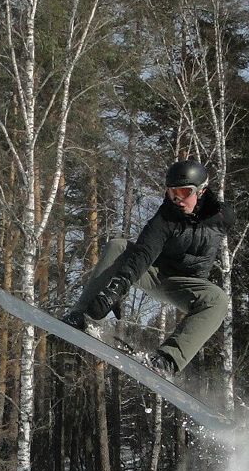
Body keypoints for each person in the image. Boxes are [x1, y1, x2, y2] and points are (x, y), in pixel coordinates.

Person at [62, 158, 233, 377]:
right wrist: (115, 290)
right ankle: (81, 316)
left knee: (217, 299)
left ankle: (167, 360)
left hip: (185, 284)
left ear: (201, 192)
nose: (177, 200)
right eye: (172, 193)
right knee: (118, 246)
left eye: (184, 193)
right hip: (153, 273)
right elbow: (143, 254)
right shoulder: (165, 218)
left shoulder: (223, 217)